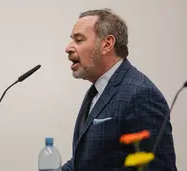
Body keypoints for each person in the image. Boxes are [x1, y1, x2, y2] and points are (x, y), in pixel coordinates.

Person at [62, 8, 177, 171]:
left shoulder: (140, 94)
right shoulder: (97, 89)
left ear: (107, 44)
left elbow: (159, 168)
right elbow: (87, 161)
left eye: (79, 40)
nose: (68, 48)